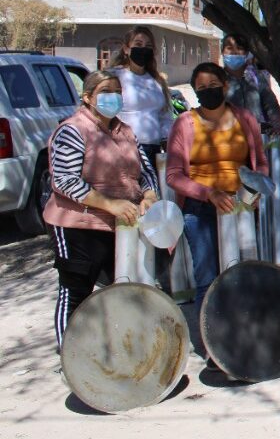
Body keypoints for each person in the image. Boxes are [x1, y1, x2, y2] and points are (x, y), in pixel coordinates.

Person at [44, 71, 160, 349]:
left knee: (125, 289)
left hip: (122, 226)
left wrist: (149, 195)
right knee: (76, 292)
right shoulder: (73, 129)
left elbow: (145, 171)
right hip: (78, 225)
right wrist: (109, 204)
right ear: (87, 97)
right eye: (106, 92)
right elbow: (64, 179)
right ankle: (70, 357)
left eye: (117, 91)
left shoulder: (125, 131)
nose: (114, 97)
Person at [166, 63, 268, 312]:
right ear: (195, 92)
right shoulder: (184, 124)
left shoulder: (245, 119)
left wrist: (254, 191)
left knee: (245, 275)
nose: (208, 91)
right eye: (201, 88)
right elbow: (173, 175)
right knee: (208, 279)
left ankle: (246, 336)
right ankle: (213, 341)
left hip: (240, 208)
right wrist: (208, 193)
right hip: (199, 210)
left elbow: (261, 165)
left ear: (225, 86)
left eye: (213, 85)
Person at [108, 26, 173, 167]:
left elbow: (165, 116)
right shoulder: (114, 77)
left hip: (153, 151)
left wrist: (168, 144)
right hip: (124, 149)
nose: (143, 49)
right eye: (138, 44)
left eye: (148, 46)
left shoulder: (157, 81)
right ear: (126, 49)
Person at [220, 33, 280, 136]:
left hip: (256, 139)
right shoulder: (217, 79)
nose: (234, 52)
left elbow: (270, 103)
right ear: (222, 52)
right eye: (229, 48)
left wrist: (278, 127)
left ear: (246, 53)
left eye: (239, 48)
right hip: (227, 139)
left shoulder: (256, 77)